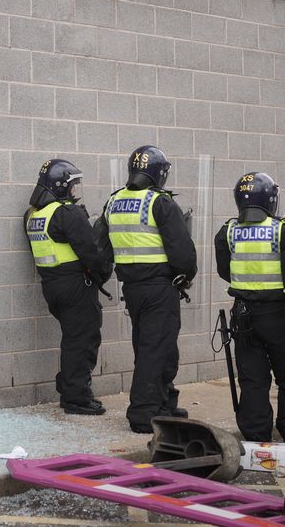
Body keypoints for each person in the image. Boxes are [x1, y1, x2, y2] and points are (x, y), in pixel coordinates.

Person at [95, 145, 197, 433]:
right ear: (159, 174)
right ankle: (142, 414)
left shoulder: (113, 201)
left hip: (134, 289)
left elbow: (99, 245)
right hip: (159, 288)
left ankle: (165, 404)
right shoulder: (160, 203)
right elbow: (183, 251)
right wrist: (186, 275)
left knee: (159, 349)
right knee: (154, 351)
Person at [214, 172, 285, 443]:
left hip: (243, 317)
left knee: (253, 379)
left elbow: (226, 272)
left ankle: (256, 436)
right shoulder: (283, 231)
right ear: (271, 200)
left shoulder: (227, 231)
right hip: (277, 316)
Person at [25, 159, 112, 415]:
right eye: (73, 186)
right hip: (75, 286)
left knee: (72, 340)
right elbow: (90, 253)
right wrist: (103, 271)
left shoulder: (34, 215)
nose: (76, 191)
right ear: (61, 186)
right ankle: (77, 397)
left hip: (52, 286)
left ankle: (70, 391)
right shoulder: (68, 213)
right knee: (82, 341)